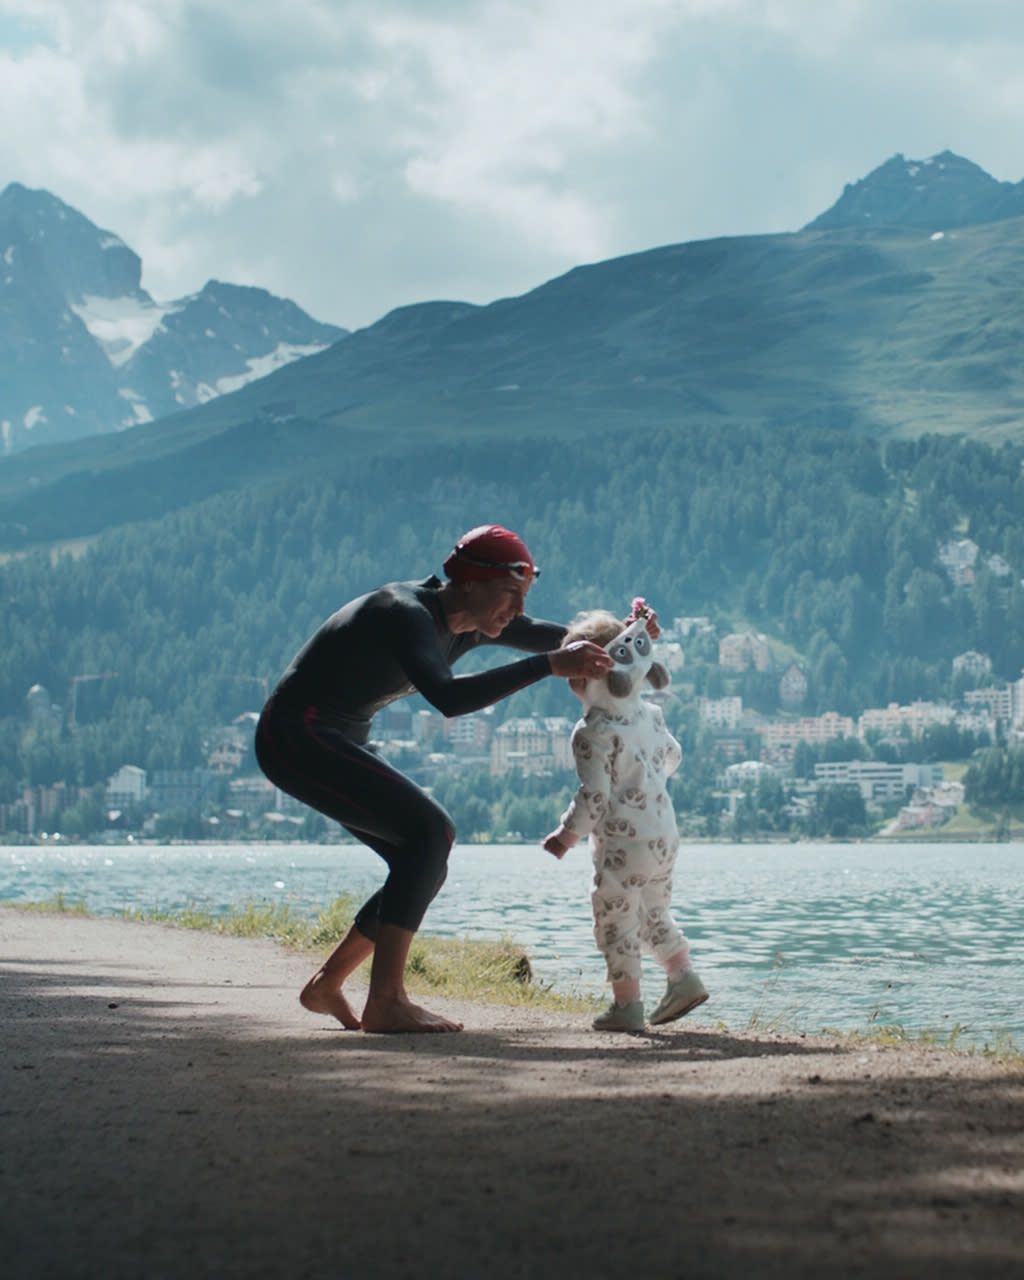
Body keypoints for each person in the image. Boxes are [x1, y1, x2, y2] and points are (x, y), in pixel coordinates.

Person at [254, 524, 614, 1034]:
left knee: (423, 860)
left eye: (523, 597)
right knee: (431, 833)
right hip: (295, 734)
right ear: (469, 580)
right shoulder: (405, 613)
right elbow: (447, 698)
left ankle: (327, 984)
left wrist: (625, 641)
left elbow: (555, 638)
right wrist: (548, 666)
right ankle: (387, 1002)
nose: (516, 609)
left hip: (335, 738)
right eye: (509, 594)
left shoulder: (473, 619)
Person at [543, 602, 708, 1032]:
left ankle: (627, 1006)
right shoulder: (650, 715)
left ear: (581, 678)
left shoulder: (593, 731)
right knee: (654, 912)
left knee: (615, 919)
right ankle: (683, 977)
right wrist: (646, 779)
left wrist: (566, 834)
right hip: (664, 837)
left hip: (623, 846)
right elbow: (672, 755)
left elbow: (594, 796)